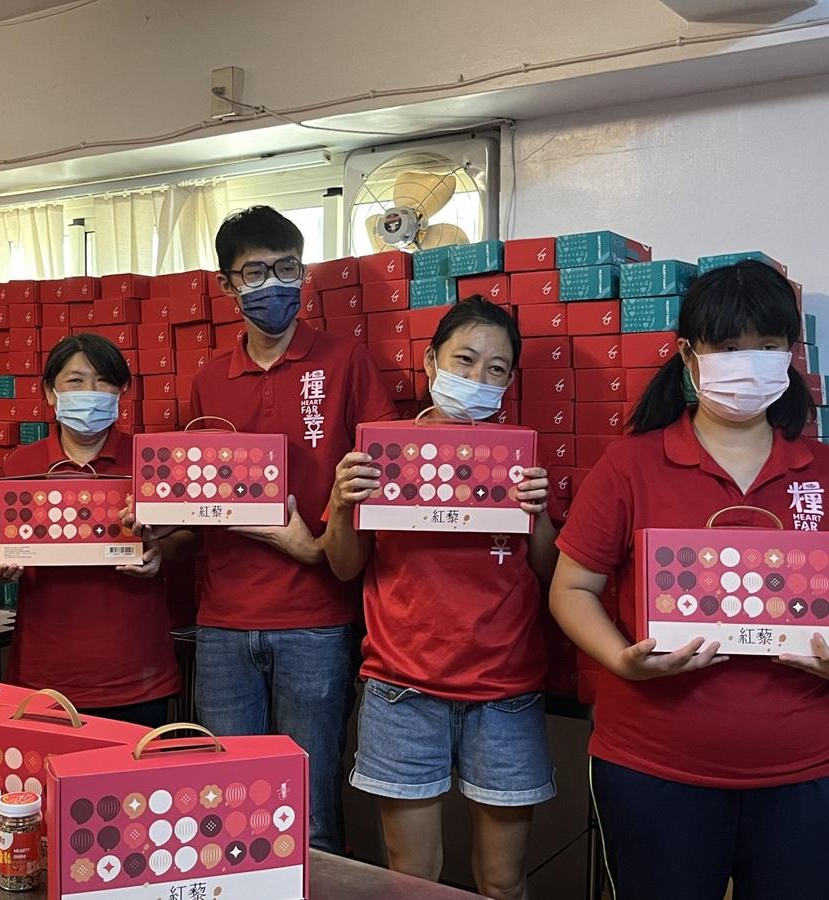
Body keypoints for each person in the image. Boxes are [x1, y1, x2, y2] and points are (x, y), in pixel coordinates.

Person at [549, 260, 829, 900]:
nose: (749, 364)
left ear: (791, 355)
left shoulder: (822, 470)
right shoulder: (630, 465)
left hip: (807, 769)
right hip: (654, 767)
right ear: (687, 355)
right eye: (728, 348)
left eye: (768, 346)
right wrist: (621, 659)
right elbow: (572, 588)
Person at [321, 298, 556, 899]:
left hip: (504, 690)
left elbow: (550, 572)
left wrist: (540, 514)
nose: (478, 378)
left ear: (510, 381)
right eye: (464, 360)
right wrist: (343, 504)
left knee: (503, 878)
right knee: (412, 876)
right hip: (402, 687)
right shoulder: (382, 453)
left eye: (496, 369)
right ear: (430, 362)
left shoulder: (519, 460)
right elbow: (344, 565)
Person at [188, 206, 397, 853]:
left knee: (309, 812)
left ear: (303, 273)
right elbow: (193, 491)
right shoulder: (208, 379)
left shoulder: (344, 359)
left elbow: (380, 473)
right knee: (228, 808)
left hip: (317, 620)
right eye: (254, 273)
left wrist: (313, 542)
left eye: (286, 269)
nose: (272, 285)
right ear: (226, 284)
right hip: (223, 622)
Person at [0, 333, 186, 728]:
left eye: (103, 381)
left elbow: (189, 539)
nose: (90, 393)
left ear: (122, 391)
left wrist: (159, 552)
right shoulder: (19, 466)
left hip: (135, 671)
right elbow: (4, 544)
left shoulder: (152, 462)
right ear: (50, 392)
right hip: (44, 673)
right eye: (76, 381)